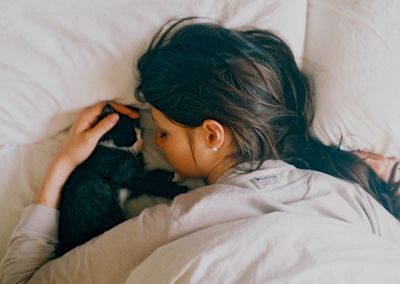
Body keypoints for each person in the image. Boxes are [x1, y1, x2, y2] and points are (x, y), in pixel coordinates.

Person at [1, 19, 400, 283]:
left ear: (212, 135)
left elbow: (26, 280)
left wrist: (63, 164)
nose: (157, 143)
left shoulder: (174, 223)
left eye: (165, 132)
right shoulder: (352, 198)